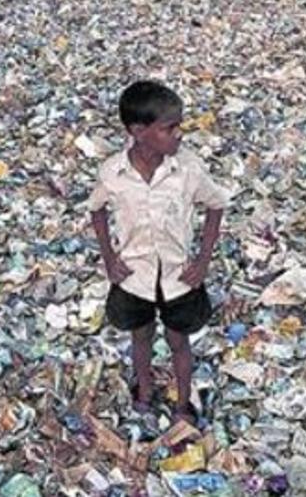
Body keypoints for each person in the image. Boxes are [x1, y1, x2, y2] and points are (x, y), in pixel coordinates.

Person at [89, 80, 230, 426]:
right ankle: (145, 392)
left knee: (179, 341)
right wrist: (109, 258)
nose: (179, 135)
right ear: (138, 131)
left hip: (178, 278)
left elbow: (216, 206)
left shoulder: (188, 169)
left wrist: (202, 262)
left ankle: (183, 404)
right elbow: (96, 210)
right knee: (141, 337)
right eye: (169, 128)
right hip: (134, 277)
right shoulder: (113, 173)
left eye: (179, 126)